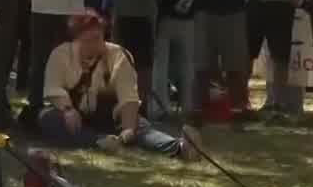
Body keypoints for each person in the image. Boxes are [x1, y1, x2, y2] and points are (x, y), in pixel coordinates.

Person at [38, 10, 200, 160]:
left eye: (98, 38)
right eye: (88, 40)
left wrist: (128, 128)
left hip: (113, 117)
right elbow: (53, 88)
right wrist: (68, 109)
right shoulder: (61, 54)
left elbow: (128, 96)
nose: (94, 44)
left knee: (140, 130)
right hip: (76, 117)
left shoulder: (118, 55)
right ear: (76, 39)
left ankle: (180, 147)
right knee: (48, 118)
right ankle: (97, 142)